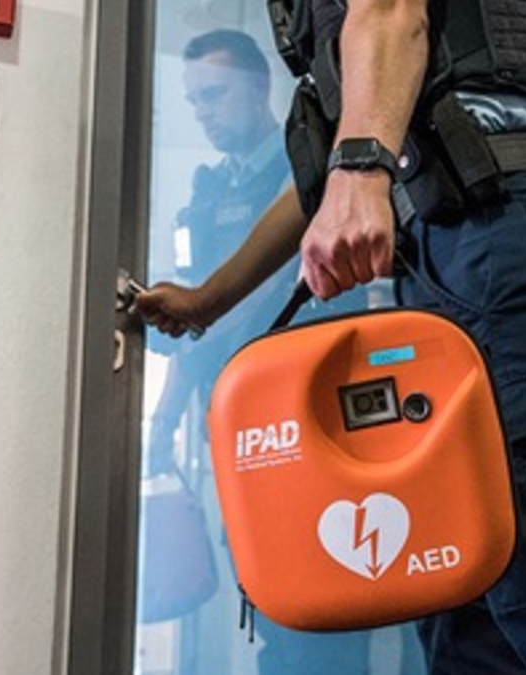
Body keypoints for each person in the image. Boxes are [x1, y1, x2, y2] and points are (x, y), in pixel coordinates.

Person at [137, 2, 526, 674]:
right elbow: (324, 171)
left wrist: (359, 173)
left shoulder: (380, 44)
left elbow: (391, 11)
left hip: (496, 221)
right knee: (465, 598)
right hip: (477, 234)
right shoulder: (365, 94)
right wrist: (210, 299)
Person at [140, 28, 388, 675]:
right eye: (194, 101)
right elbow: (194, 333)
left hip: (313, 416)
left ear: (258, 88)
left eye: (215, 94)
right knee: (272, 594)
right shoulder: (204, 197)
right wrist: (167, 414)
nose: (205, 112)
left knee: (325, 603)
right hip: (243, 428)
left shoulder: (311, 176)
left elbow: (269, 297)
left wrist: (210, 312)